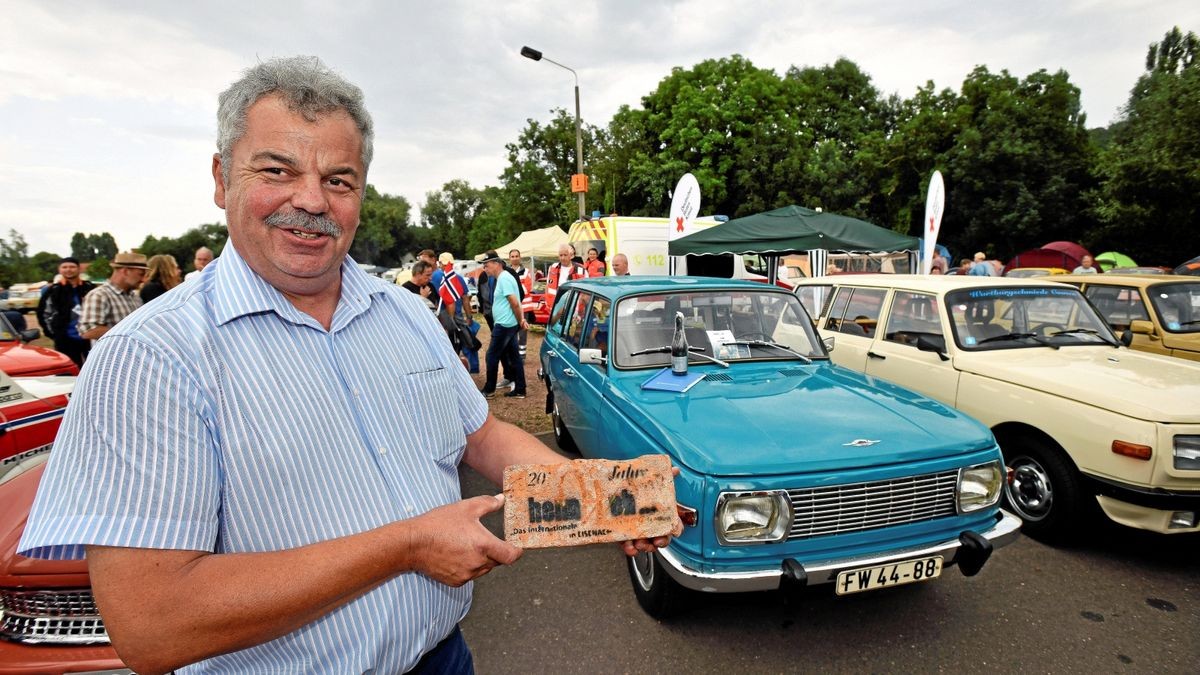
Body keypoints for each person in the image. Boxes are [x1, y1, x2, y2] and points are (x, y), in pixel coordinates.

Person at [18, 56, 674, 675]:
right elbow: (151, 624)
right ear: (221, 179)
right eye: (276, 170)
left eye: (338, 180)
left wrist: (606, 500)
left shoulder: (406, 314)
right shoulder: (149, 357)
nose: (311, 200)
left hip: (445, 658)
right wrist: (406, 544)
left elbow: (483, 435)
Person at [478, 253, 527, 400]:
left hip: (505, 324)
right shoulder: (504, 277)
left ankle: (489, 389)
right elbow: (515, 300)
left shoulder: (504, 278)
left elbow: (514, 302)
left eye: (486, 265)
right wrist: (520, 320)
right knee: (514, 356)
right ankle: (520, 388)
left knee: (491, 355)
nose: (484, 268)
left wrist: (521, 320)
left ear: (496, 263)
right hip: (508, 323)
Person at [35, 257, 96, 366]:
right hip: (65, 339)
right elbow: (43, 314)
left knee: (94, 369)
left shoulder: (89, 288)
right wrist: (54, 333)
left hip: (90, 337)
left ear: (79, 269)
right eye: (65, 267)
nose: (68, 269)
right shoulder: (53, 290)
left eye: (72, 267)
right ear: (60, 270)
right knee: (69, 372)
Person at [78, 251, 147, 341]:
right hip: (112, 354)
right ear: (126, 271)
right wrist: (132, 333)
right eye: (141, 274)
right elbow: (88, 331)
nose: (143, 280)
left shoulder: (135, 297)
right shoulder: (99, 295)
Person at [435, 251, 480, 373]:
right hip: (458, 318)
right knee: (463, 343)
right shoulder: (459, 278)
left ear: (440, 263)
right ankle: (468, 370)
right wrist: (469, 316)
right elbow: (465, 299)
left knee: (447, 345)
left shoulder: (436, 277)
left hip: (443, 318)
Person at [508, 249, 534, 360]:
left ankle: (522, 356)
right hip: (510, 308)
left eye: (516, 256)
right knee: (511, 332)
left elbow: (527, 288)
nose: (514, 258)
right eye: (512, 256)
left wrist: (512, 289)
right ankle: (512, 355)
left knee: (523, 333)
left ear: (520, 257)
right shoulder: (506, 272)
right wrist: (519, 285)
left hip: (524, 308)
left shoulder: (526, 272)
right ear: (509, 258)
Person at [545, 243, 586, 311]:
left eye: (565, 255)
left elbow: (585, 293)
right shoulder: (553, 268)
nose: (563, 258)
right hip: (555, 309)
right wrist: (547, 303)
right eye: (561, 255)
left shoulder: (581, 270)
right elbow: (547, 287)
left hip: (574, 310)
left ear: (571, 256)